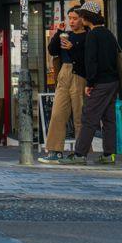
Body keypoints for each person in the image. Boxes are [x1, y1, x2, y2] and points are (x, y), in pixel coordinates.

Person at [60, 1, 120, 165]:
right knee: (108, 119)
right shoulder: (108, 34)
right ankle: (109, 154)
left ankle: (80, 154)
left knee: (89, 117)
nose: (81, 18)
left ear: (87, 17)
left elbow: (91, 61)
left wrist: (90, 83)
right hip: (113, 81)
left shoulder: (92, 35)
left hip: (99, 82)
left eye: (82, 15)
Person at [39, 10, 89, 163]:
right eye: (70, 18)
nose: (72, 21)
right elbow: (52, 50)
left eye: (75, 18)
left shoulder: (88, 36)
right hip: (64, 73)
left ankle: (80, 153)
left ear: (83, 19)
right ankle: (55, 151)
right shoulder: (66, 35)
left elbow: (88, 58)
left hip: (80, 75)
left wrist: (72, 48)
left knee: (79, 115)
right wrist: (58, 32)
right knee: (57, 113)